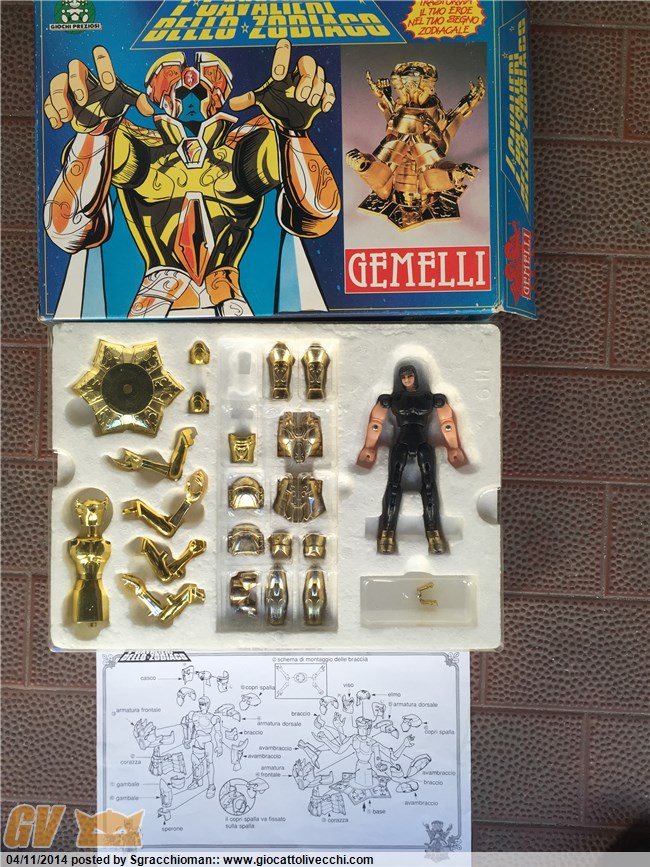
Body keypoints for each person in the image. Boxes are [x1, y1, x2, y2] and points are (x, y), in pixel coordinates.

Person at [43, 40, 340, 317]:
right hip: (155, 311)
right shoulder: (138, 147)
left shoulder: (247, 147)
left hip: (232, 311)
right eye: (181, 89)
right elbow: (67, 227)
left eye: (200, 90)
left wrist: (294, 132)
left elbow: (318, 215)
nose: (190, 92)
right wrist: (95, 134)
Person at [357, 362, 466, 554]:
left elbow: (447, 423)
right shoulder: (392, 399)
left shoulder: (431, 398)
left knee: (429, 487)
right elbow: (376, 422)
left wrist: (453, 446)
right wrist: (369, 446)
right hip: (401, 442)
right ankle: (386, 534)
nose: (407, 380)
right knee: (393, 486)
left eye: (410, 376)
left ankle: (434, 534)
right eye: (404, 377)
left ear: (415, 377)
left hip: (423, 443)